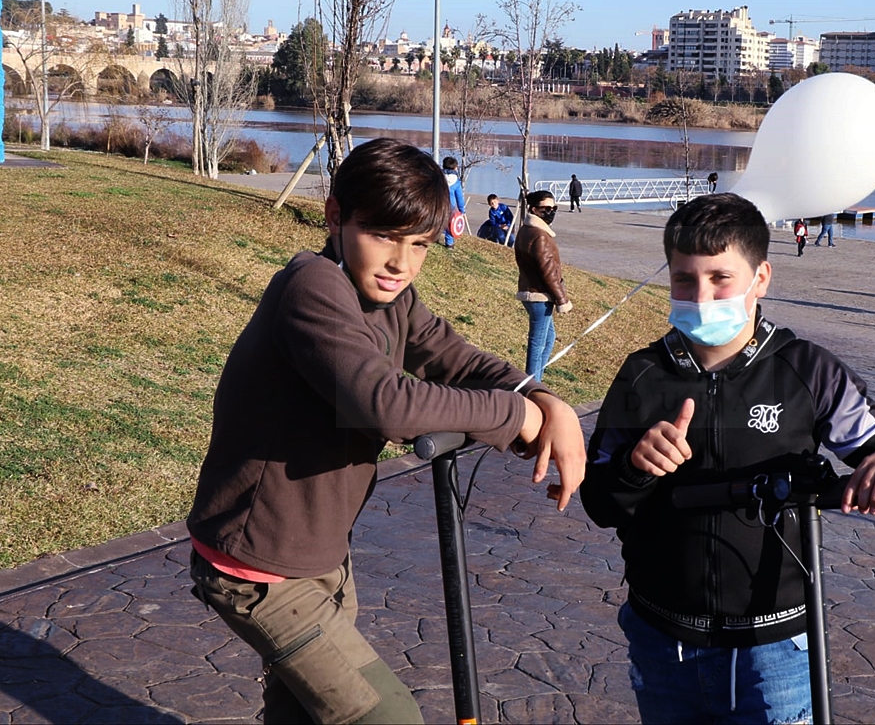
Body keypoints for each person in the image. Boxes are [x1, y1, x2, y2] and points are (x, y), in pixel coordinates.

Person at [186, 139, 586, 725]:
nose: (401, 262)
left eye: (419, 245)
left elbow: (459, 358)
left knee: (298, 715)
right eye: (383, 236)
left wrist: (546, 400)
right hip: (261, 566)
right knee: (386, 716)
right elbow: (384, 405)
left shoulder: (394, 299)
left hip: (322, 555)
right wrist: (516, 416)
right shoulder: (312, 286)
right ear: (335, 216)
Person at [580, 193, 875, 725]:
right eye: (684, 279)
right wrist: (635, 466)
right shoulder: (642, 374)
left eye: (720, 278)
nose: (700, 295)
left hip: (778, 646)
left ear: (761, 277)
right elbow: (599, 501)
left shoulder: (807, 369)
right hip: (662, 638)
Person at [515, 190, 572, 382]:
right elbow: (549, 273)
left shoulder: (525, 230)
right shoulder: (540, 236)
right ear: (534, 209)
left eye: (554, 208)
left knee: (548, 339)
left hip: (530, 292)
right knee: (538, 343)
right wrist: (562, 300)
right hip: (539, 296)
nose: (551, 212)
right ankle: (532, 387)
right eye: (546, 208)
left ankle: (537, 379)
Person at [442, 156, 466, 249]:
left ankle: (433, 237)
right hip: (450, 206)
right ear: (455, 168)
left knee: (437, 221)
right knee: (450, 224)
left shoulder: (438, 178)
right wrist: (462, 210)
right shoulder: (456, 182)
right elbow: (459, 198)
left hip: (438, 203)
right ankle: (449, 243)